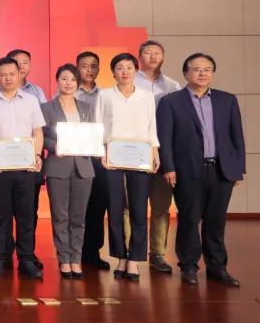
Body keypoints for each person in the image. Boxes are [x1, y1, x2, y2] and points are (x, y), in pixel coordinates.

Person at [158, 53, 244, 287]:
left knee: (216, 221)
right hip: (187, 170)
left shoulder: (227, 100)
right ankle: (188, 266)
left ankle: (217, 267)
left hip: (221, 170)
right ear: (186, 74)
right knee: (189, 218)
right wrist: (169, 167)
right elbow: (165, 139)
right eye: (196, 69)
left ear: (212, 73)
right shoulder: (170, 102)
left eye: (207, 69)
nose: (202, 73)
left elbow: (236, 136)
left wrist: (238, 168)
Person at [97, 53, 160, 283]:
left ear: (136, 70)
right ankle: (120, 257)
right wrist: (101, 152)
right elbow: (98, 125)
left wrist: (154, 152)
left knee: (139, 208)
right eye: (120, 68)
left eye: (129, 67)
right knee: (114, 208)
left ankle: (134, 258)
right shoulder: (104, 95)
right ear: (113, 72)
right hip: (112, 157)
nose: (125, 72)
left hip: (140, 156)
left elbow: (151, 127)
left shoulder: (146, 96)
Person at [0, 57, 45, 279]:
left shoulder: (31, 101)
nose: (7, 78)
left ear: (19, 75)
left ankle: (26, 259)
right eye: (2, 74)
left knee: (26, 216)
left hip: (26, 168)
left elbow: (37, 131)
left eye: (11, 74)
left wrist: (37, 154)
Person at [40, 64, 96, 279]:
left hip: (83, 166)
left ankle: (76, 258)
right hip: (58, 165)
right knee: (60, 215)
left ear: (78, 83)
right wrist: (54, 146)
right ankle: (64, 258)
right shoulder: (47, 108)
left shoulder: (86, 107)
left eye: (73, 79)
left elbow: (92, 133)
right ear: (57, 81)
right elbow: (41, 136)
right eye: (64, 78)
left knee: (79, 217)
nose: (69, 83)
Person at [134, 40, 183, 275]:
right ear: (139, 56)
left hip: (164, 151)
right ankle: (131, 253)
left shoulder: (173, 86)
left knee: (161, 206)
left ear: (163, 57)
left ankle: (158, 254)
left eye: (157, 53)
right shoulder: (128, 81)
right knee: (130, 206)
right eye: (148, 52)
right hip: (133, 150)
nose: (153, 56)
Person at [75, 51, 111, 271]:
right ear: (77, 68)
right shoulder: (68, 92)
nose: (89, 70)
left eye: (93, 66)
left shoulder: (106, 95)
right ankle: (73, 251)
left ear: (99, 69)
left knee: (98, 206)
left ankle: (93, 251)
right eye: (84, 66)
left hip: (99, 157)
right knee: (77, 207)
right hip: (75, 156)